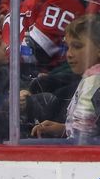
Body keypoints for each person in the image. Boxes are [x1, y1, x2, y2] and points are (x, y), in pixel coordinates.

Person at [29, 15, 100, 143]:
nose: (69, 54)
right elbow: (87, 129)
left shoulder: (95, 83)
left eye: (77, 46)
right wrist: (62, 129)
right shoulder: (89, 79)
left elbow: (84, 140)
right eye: (67, 47)